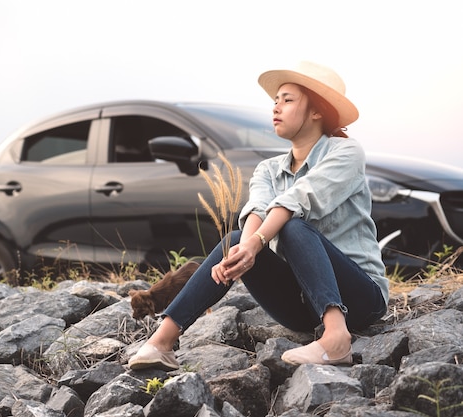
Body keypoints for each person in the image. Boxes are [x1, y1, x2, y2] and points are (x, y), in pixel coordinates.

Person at [128, 61, 389, 370]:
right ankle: (160, 342)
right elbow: (258, 209)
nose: (276, 107)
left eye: (287, 99)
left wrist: (256, 244)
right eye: (275, 101)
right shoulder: (268, 168)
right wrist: (245, 249)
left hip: (360, 298)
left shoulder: (345, 151)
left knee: (291, 226)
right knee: (236, 239)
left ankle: (336, 337)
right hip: (301, 307)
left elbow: (298, 199)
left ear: (317, 111)